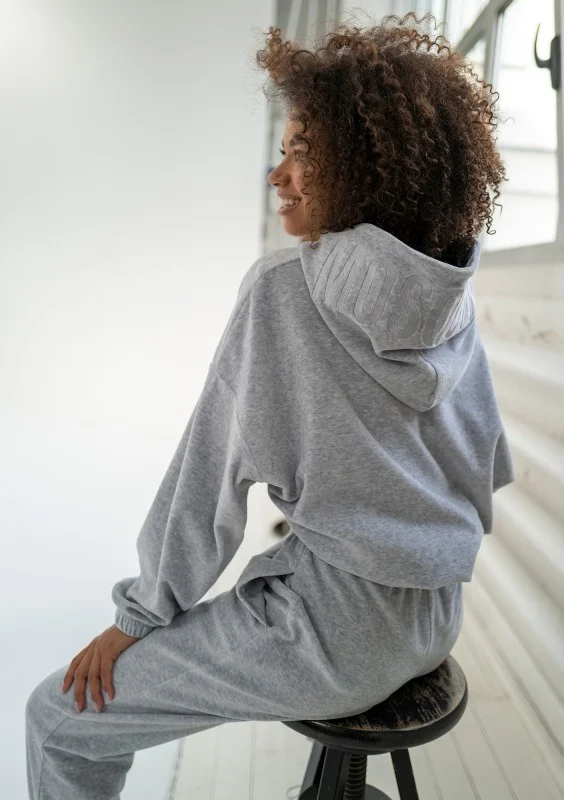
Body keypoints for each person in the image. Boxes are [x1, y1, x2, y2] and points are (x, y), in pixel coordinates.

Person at [25, 12, 514, 799]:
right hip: (435, 618)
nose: (277, 174)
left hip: (331, 636)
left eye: (301, 153)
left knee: (57, 720)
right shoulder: (452, 297)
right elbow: (485, 460)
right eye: (281, 150)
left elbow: (209, 480)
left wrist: (137, 618)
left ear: (365, 171)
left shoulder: (283, 292)